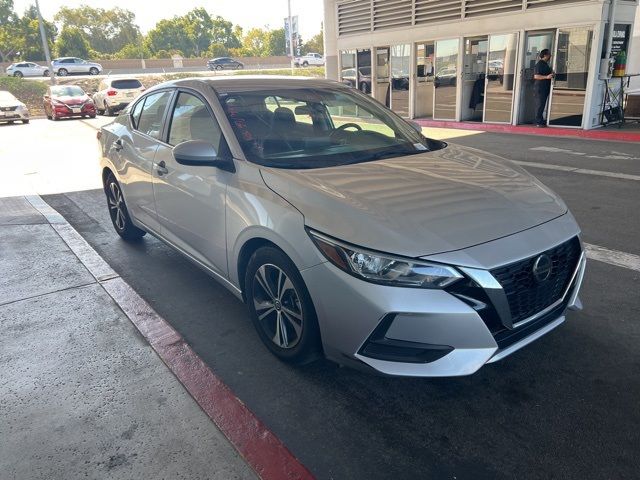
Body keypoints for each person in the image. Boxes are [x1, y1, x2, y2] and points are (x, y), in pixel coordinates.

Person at [533, 49, 554, 127]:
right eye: (549, 54)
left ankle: (540, 120)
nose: (550, 56)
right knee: (540, 105)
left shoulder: (545, 64)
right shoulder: (539, 64)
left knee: (542, 105)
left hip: (544, 88)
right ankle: (538, 122)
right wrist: (547, 77)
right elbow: (536, 76)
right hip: (540, 88)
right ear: (545, 55)